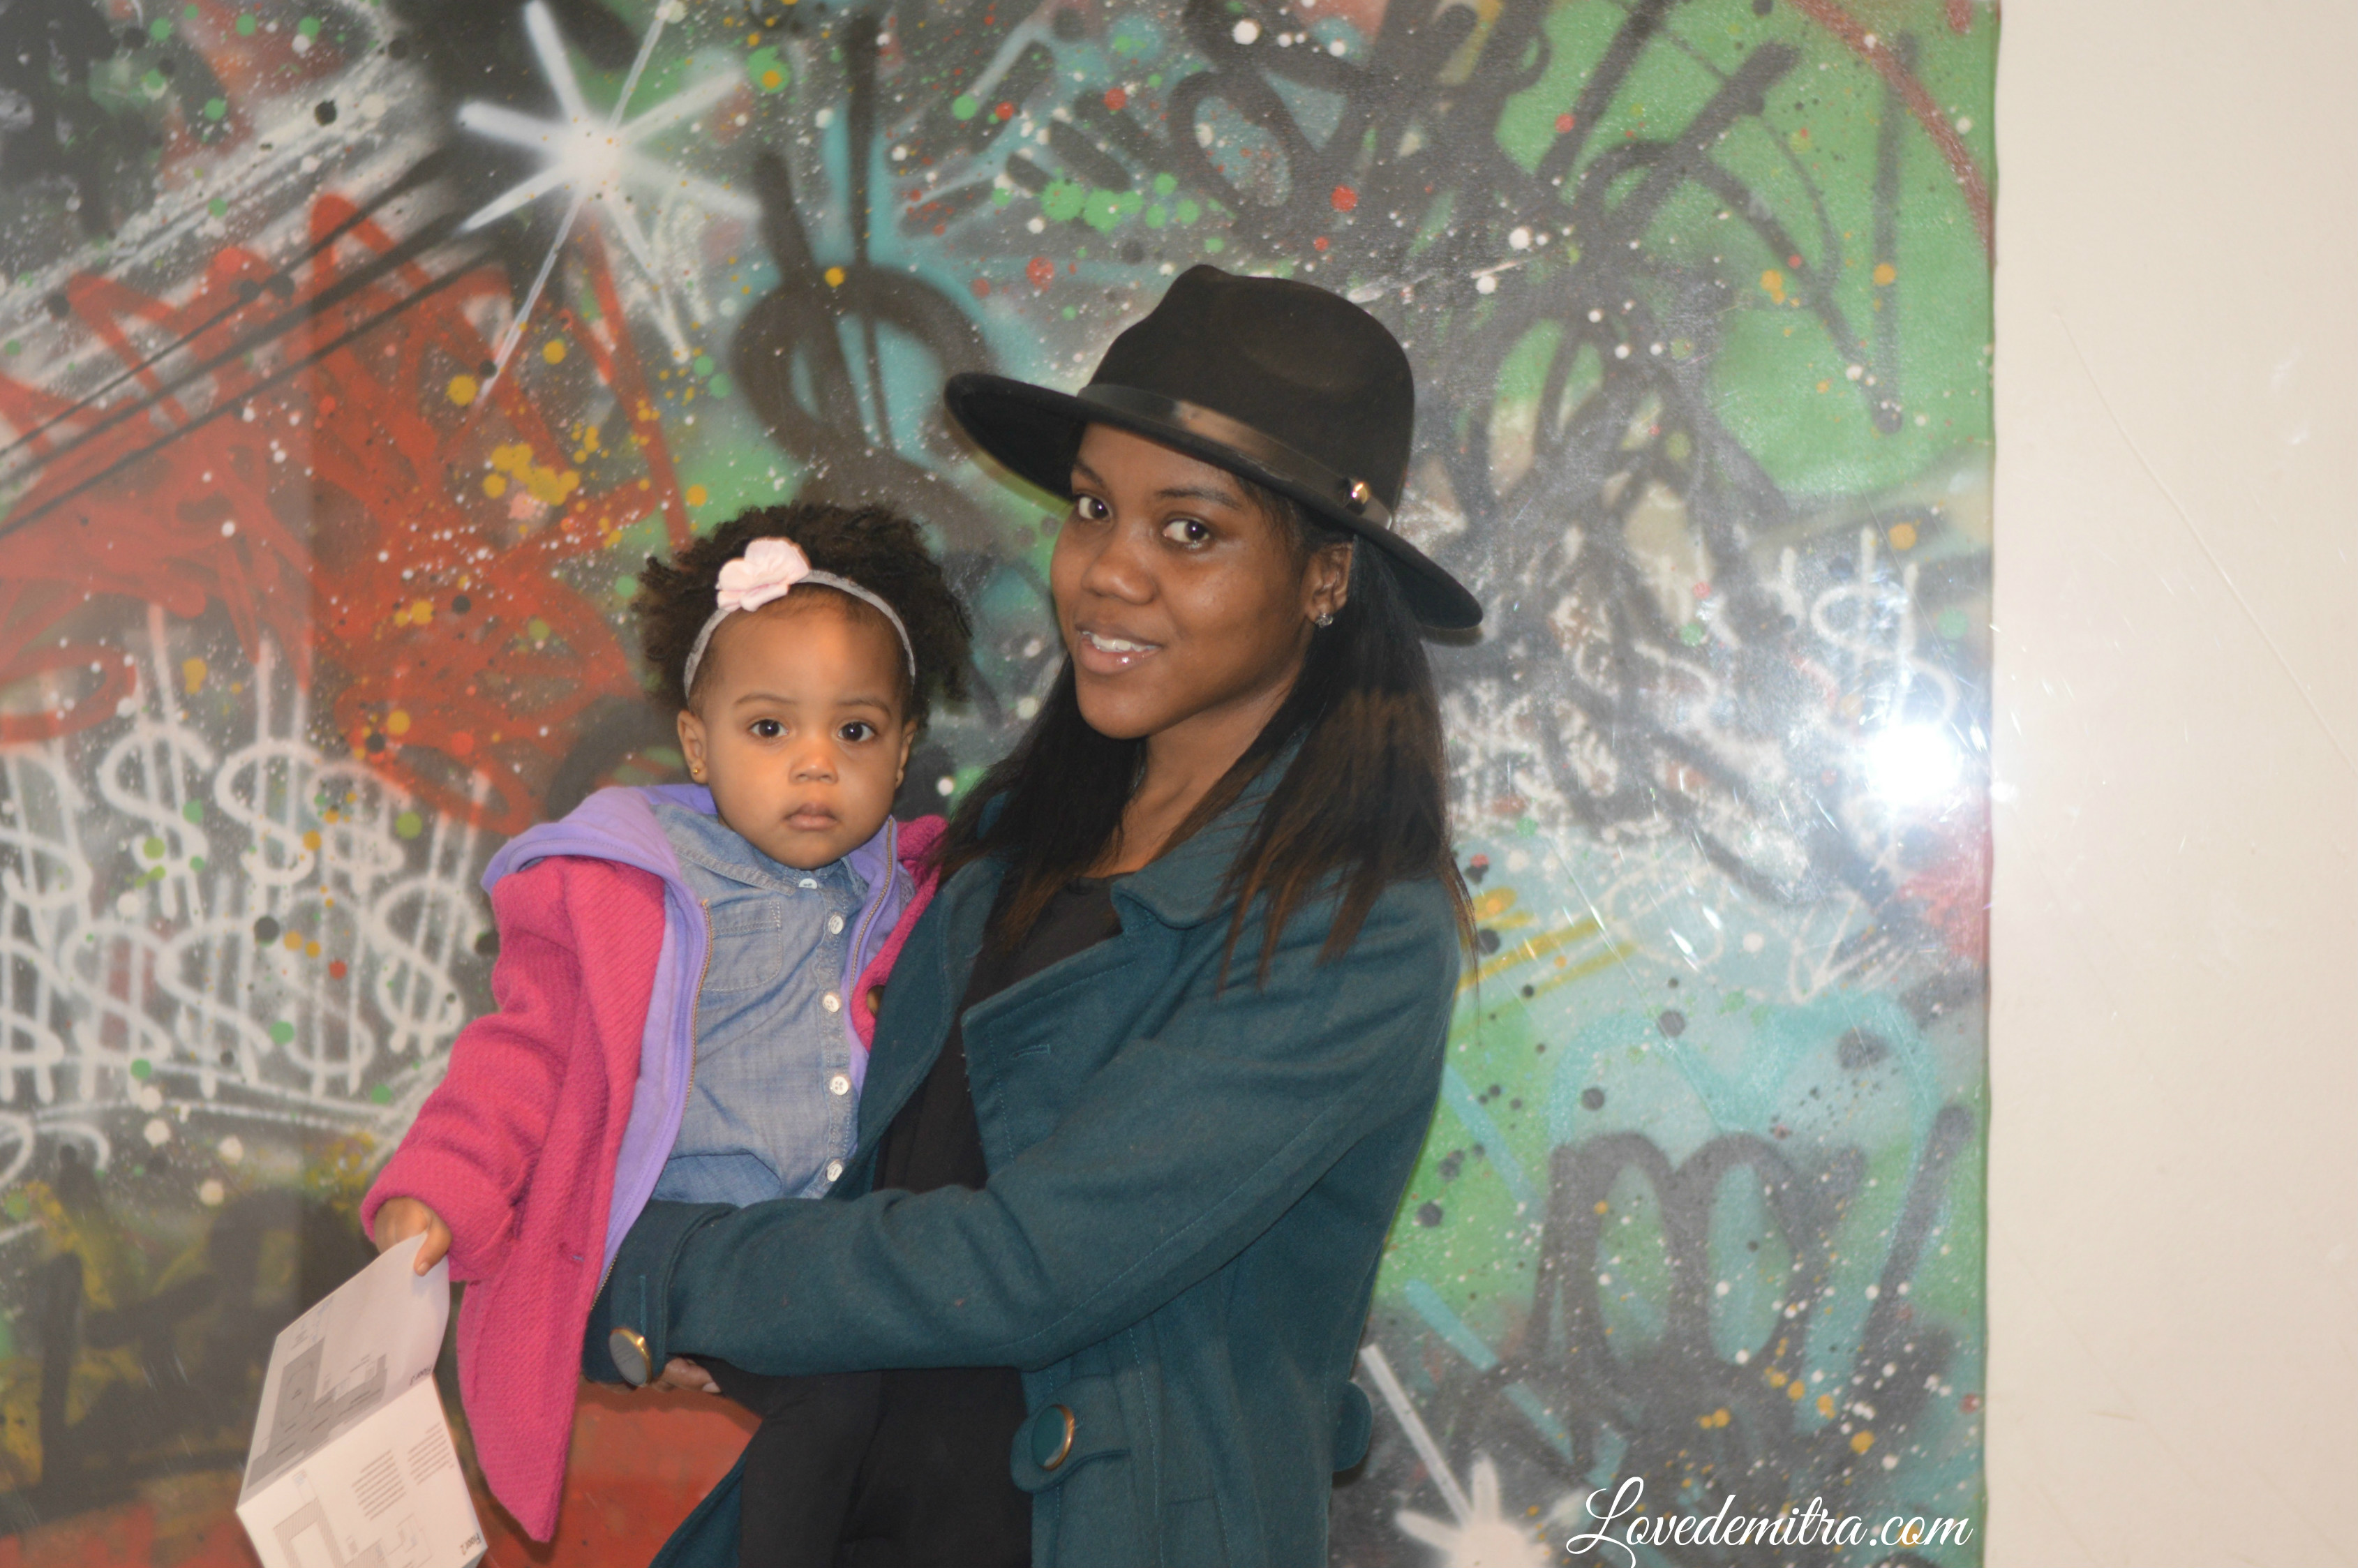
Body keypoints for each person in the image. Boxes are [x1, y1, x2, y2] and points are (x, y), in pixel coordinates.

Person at [594, 264, 1486, 1567]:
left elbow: (1031, 1265)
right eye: (1094, 508)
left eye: (1190, 531)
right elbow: (875, 1171)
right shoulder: (1013, 834)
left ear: (1326, 579)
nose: (1110, 573)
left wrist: (668, 1272)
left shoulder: (1359, 928)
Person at [360, 502, 972, 1550]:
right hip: (682, 1230)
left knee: (905, 1420)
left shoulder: (918, 892)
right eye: (769, 729)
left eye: (856, 732)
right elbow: (523, 1056)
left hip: (834, 1246)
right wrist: (440, 1187)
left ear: (905, 747)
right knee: (838, 1405)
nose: (815, 764)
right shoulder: (629, 887)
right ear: (698, 743)